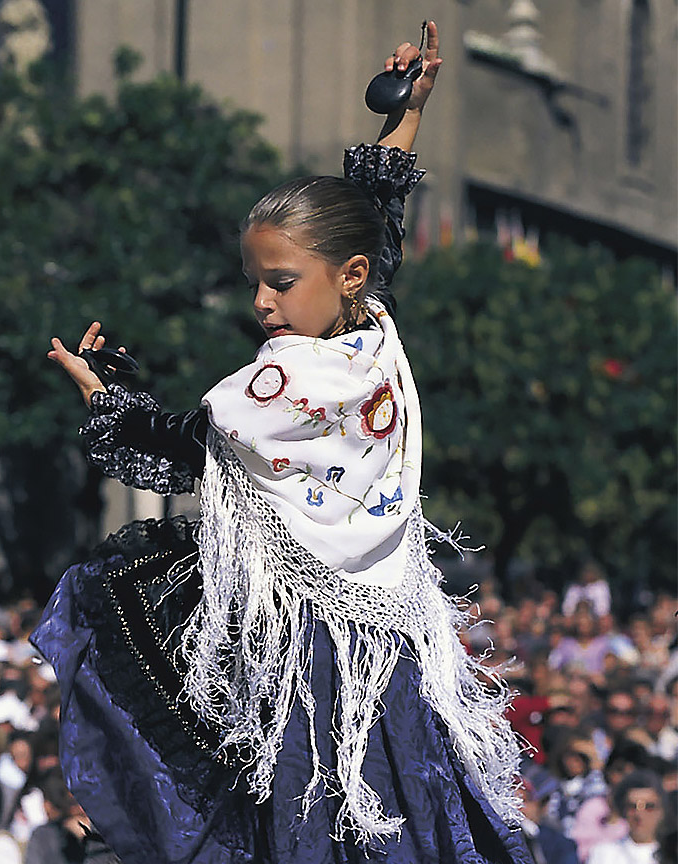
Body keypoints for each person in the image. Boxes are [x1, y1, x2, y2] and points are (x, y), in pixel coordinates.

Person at [31, 23, 533, 863]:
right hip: (382, 627)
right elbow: (377, 220)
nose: (262, 301)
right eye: (254, 282)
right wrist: (406, 116)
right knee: (374, 805)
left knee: (113, 603)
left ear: (348, 277)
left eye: (281, 281)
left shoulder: (270, 386)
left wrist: (107, 397)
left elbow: (179, 446)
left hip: (311, 640)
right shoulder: (374, 330)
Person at [586, 772, 664, 864]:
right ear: (623, 811)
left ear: (662, 810)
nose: (639, 814)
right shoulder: (604, 853)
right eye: (633, 806)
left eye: (649, 806)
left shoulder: (672, 854)